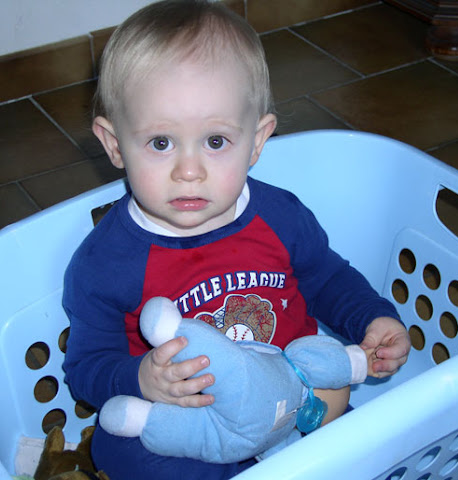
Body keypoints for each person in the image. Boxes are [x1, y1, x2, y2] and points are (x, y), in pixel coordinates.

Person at [62, 1, 411, 479]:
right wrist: (141, 379)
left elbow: (327, 279)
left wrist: (373, 318)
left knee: (366, 439)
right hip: (195, 430)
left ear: (257, 139)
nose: (189, 171)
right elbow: (87, 368)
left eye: (216, 141)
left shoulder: (279, 216)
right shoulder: (105, 262)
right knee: (116, 446)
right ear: (115, 144)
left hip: (298, 402)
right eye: (161, 143)